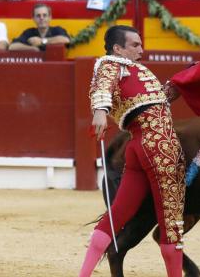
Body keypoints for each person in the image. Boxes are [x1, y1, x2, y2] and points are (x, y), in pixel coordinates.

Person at [78, 25, 185, 277]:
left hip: (138, 147)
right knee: (170, 220)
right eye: (135, 45)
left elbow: (154, 99)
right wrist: (100, 112)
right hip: (158, 146)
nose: (141, 49)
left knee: (117, 215)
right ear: (118, 48)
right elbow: (101, 86)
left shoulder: (133, 71)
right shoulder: (112, 63)